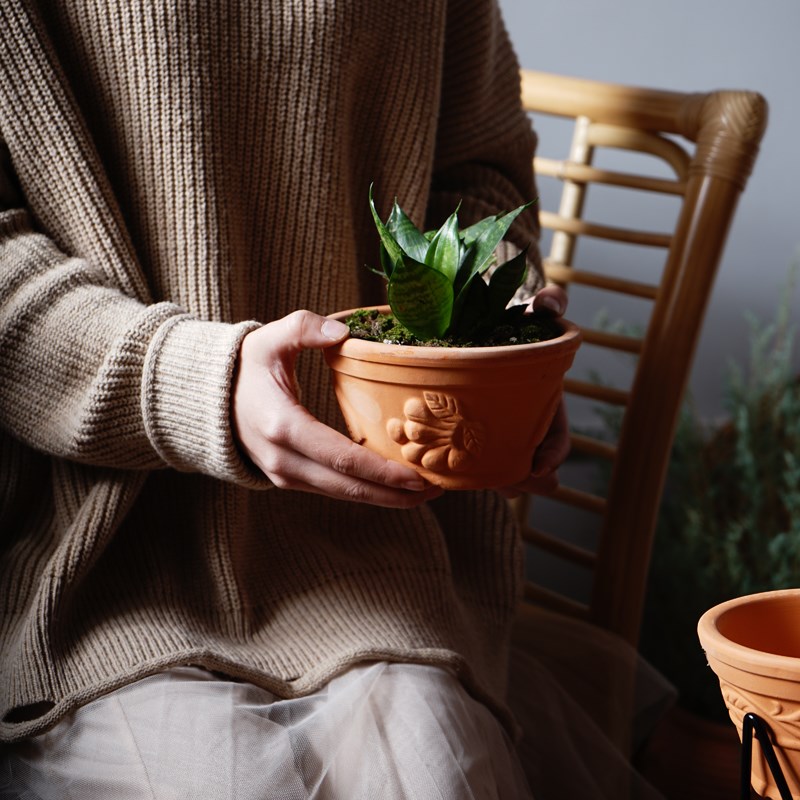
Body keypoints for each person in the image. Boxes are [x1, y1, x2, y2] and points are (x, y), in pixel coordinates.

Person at [0, 0, 579, 797]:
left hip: (387, 551)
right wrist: (192, 383)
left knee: (437, 771)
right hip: (95, 553)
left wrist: (492, 332)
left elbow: (477, 174)